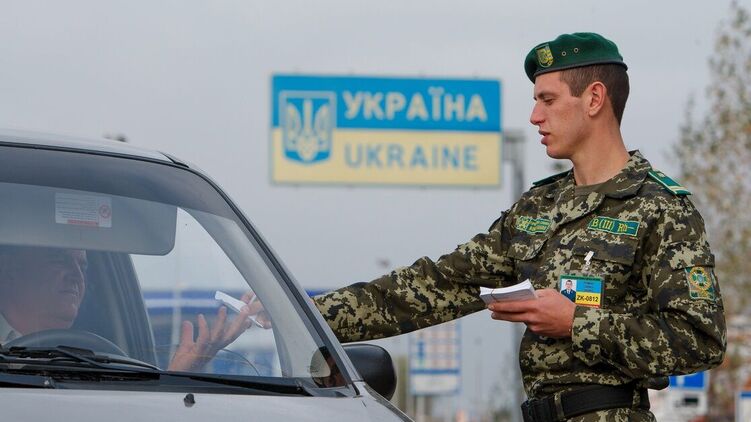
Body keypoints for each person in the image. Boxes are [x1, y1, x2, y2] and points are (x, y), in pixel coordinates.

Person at [312, 33, 726, 421]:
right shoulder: (537, 207)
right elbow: (433, 286)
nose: (534, 116)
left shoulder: (660, 207)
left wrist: (576, 322)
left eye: (548, 100)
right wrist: (305, 316)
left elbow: (700, 339)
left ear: (594, 98)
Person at [0, 245, 253, 372]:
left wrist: (177, 375)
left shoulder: (103, 362)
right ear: (10, 268)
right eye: (59, 260)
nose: (77, 275)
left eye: (83, 266)